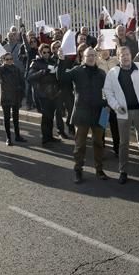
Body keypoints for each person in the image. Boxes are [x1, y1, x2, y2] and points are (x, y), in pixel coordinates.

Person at [103, 45, 139, 184]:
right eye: (122, 55)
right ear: (118, 57)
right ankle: (123, 171)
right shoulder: (113, 72)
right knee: (123, 143)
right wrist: (116, 106)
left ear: (131, 55)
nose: (125, 57)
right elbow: (108, 92)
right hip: (123, 112)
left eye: (127, 54)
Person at [58, 46, 109, 183]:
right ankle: (78, 170)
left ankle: (99, 170)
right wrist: (61, 61)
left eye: (93, 55)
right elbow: (62, 78)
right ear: (83, 57)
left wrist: (107, 106)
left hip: (100, 112)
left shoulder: (102, 74)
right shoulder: (77, 71)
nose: (91, 57)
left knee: (99, 143)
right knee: (80, 145)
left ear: (96, 57)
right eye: (88, 55)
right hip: (81, 112)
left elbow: (108, 91)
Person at [27, 43, 62, 146]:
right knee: (46, 116)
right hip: (42, 93)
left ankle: (50, 136)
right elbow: (29, 77)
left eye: (48, 52)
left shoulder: (53, 61)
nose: (46, 54)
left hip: (53, 93)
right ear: (40, 52)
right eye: (44, 52)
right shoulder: (35, 63)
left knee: (50, 116)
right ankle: (45, 138)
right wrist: (43, 71)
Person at [0, 50, 27, 145]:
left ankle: (17, 136)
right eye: (7, 59)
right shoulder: (2, 69)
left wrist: (21, 91)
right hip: (6, 96)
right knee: (6, 118)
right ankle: (8, 138)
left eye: (11, 59)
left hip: (16, 96)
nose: (9, 61)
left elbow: (22, 81)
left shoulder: (16, 69)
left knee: (16, 117)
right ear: (3, 60)